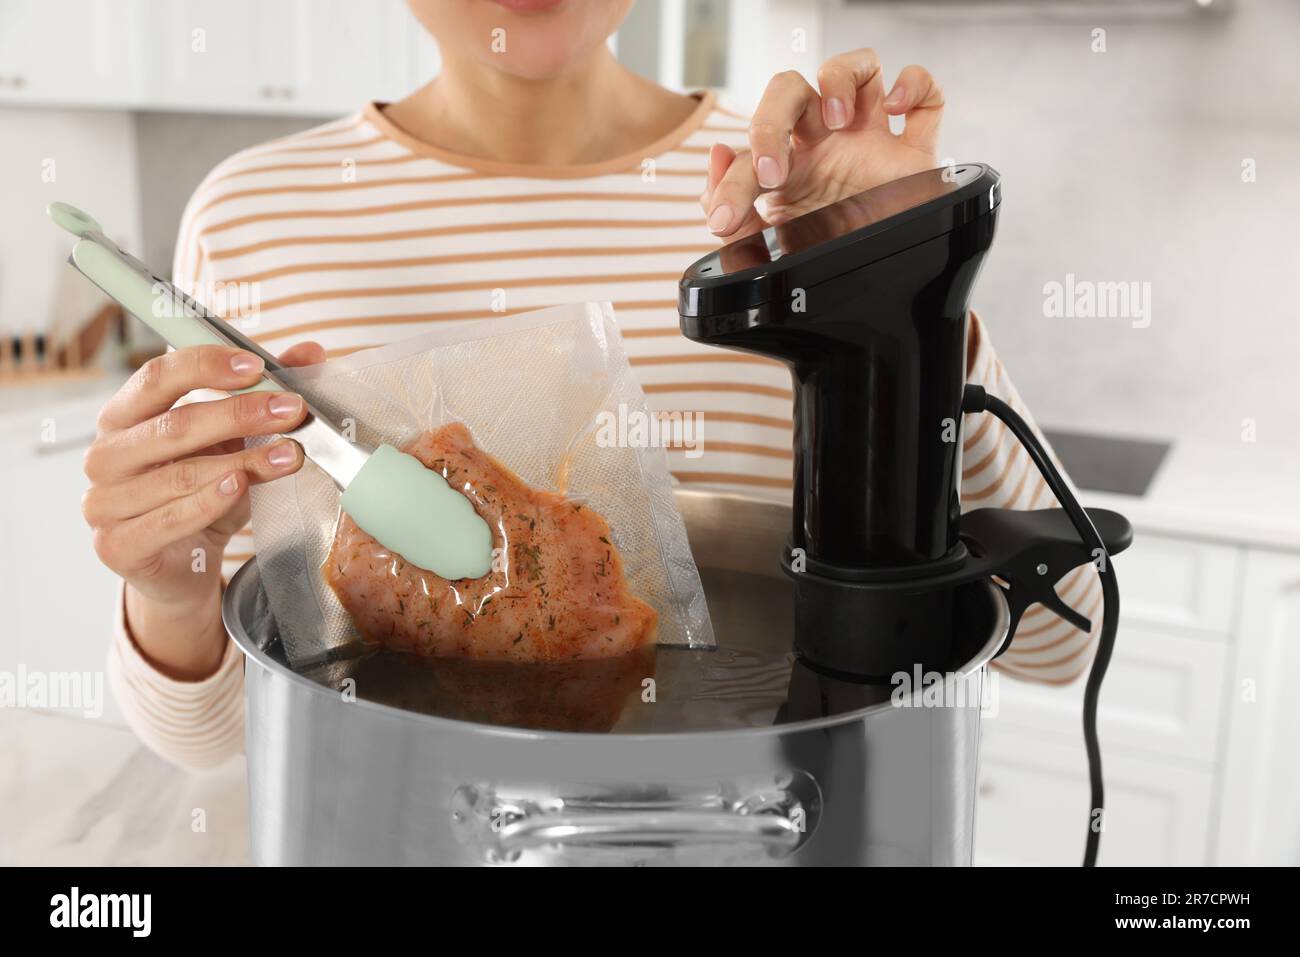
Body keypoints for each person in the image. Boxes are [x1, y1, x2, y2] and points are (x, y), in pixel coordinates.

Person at [82, 0, 1101, 769]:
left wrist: (905, 299)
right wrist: (170, 589)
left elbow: (1061, 641)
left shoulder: (792, 187)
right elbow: (219, 734)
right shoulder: (254, 215)